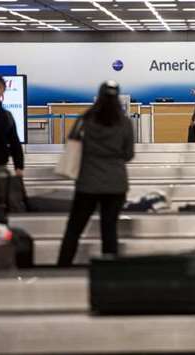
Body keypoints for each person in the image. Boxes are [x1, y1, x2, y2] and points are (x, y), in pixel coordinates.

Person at [57, 81, 135, 266]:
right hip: (115, 184)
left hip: (87, 184)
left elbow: (71, 144)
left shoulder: (85, 120)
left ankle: (62, 267)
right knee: (109, 231)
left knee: (74, 229)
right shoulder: (124, 123)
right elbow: (128, 154)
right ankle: (109, 275)